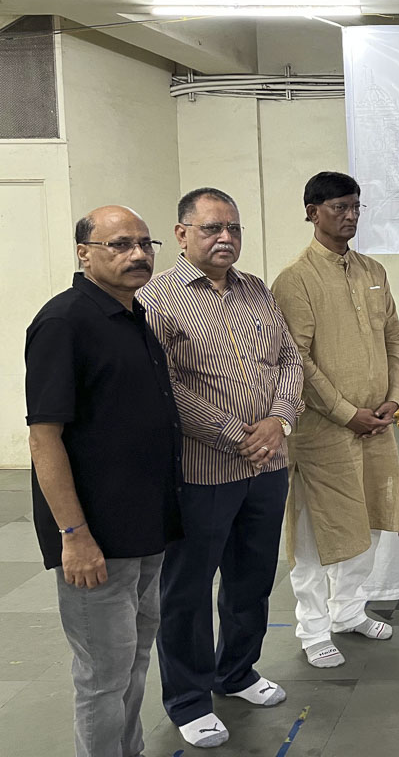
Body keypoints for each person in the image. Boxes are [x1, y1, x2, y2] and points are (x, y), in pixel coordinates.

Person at [138, 187, 303, 748]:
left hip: (268, 466)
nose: (225, 238)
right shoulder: (156, 300)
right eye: (212, 228)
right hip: (202, 472)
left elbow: (288, 358)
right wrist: (237, 434)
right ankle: (188, 699)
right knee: (187, 589)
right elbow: (166, 387)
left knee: (252, 577)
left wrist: (279, 420)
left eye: (232, 227)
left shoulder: (256, 290)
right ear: (182, 234)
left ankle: (237, 671)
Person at [26, 206, 182, 757]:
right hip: (95, 540)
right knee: (102, 675)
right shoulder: (64, 323)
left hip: (145, 530)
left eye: (144, 243)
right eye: (119, 244)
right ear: (84, 254)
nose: (137, 254)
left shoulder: (135, 316)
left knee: (134, 660)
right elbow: (44, 439)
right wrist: (74, 535)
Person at [271, 171, 399, 669]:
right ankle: (313, 628)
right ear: (312, 212)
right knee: (315, 531)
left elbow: (393, 339)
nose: (350, 216)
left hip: (376, 426)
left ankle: (348, 611)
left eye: (355, 207)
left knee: (367, 522)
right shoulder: (296, 279)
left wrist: (393, 398)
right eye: (339, 208)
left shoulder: (373, 270)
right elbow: (296, 361)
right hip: (323, 433)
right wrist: (348, 414)